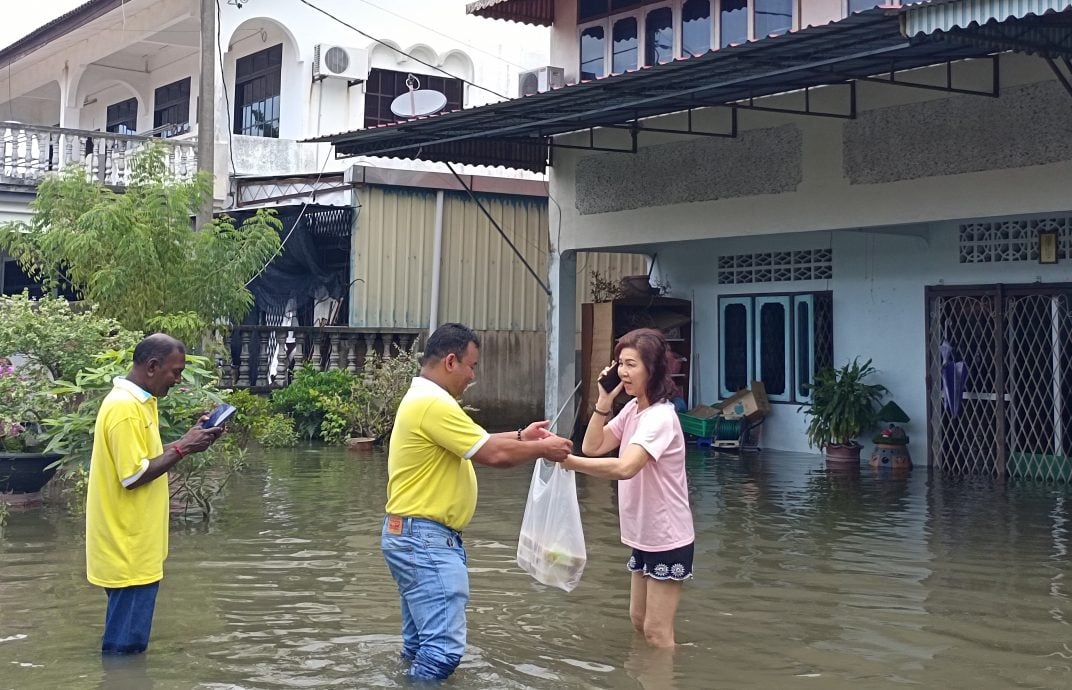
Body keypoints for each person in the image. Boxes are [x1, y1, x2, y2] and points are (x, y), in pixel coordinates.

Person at [381, 322, 573, 681]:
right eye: (472, 366)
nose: (473, 376)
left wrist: (520, 435)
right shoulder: (432, 403)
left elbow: (478, 441)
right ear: (451, 361)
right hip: (425, 539)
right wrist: (542, 448)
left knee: (420, 645)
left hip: (410, 535)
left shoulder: (425, 399)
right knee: (442, 652)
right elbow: (494, 455)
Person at [86, 333, 224, 655]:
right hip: (128, 546)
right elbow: (133, 476)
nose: (177, 379)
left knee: (125, 639)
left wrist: (189, 439)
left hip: (135, 544)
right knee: (125, 650)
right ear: (152, 366)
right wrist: (184, 447)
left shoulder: (141, 403)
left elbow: (142, 460)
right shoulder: (124, 408)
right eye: (175, 372)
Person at [563, 328, 694, 647]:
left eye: (631, 364)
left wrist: (568, 463)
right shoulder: (634, 410)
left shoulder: (660, 417)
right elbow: (593, 447)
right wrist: (603, 402)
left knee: (656, 630)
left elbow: (625, 467)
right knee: (639, 621)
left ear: (653, 368)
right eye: (620, 363)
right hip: (643, 534)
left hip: (667, 536)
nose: (622, 371)